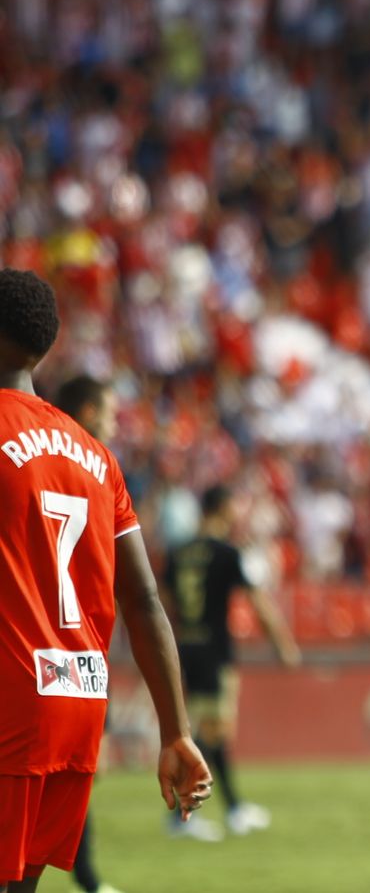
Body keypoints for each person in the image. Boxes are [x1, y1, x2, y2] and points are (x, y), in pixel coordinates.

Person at [0, 269, 211, 893]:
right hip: (75, 702)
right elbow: (144, 598)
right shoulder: (96, 455)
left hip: (10, 697)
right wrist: (175, 732)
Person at [161, 484, 301, 841]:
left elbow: (160, 603)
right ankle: (180, 815)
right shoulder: (226, 553)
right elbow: (257, 601)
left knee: (210, 732)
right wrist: (283, 644)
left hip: (186, 649)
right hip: (215, 651)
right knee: (212, 733)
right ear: (222, 509)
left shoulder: (179, 553)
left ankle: (235, 808)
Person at [50, 376, 127, 893]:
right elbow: (137, 593)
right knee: (71, 781)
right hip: (76, 656)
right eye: (111, 411)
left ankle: (91, 879)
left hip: (34, 651)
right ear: (88, 409)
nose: (115, 422)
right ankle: (92, 881)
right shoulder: (99, 469)